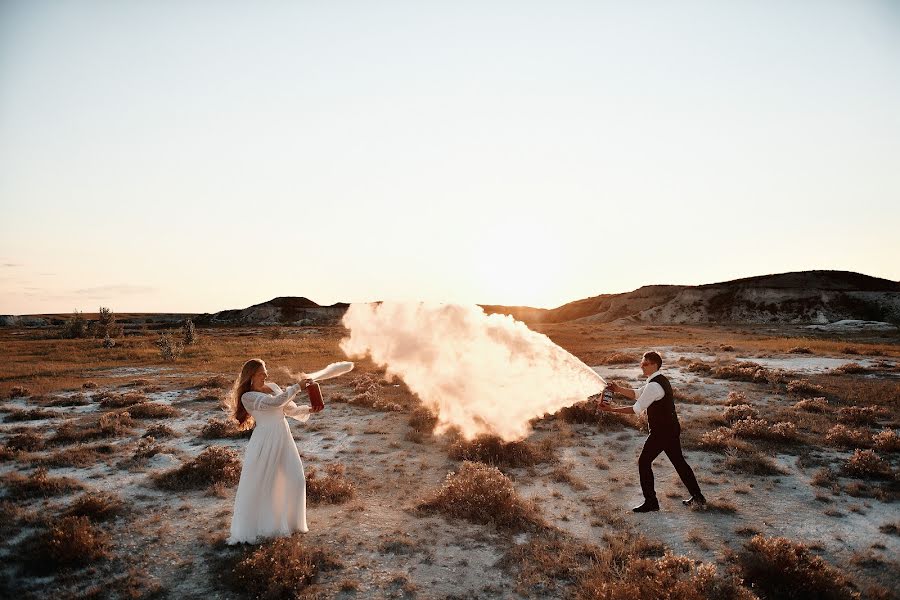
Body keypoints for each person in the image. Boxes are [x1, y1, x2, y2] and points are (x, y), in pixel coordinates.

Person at [225, 358, 322, 544]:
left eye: (265, 371)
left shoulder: (273, 386)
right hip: (265, 441)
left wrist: (310, 409)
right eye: (262, 373)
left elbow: (288, 409)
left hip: (283, 437)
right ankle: (268, 527)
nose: (266, 375)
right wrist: (296, 387)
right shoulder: (248, 397)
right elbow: (274, 404)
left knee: (296, 479)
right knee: (266, 483)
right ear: (251, 375)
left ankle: (291, 523)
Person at [598, 351, 705, 512]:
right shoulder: (655, 381)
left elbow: (636, 409)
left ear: (655, 364)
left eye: (645, 363)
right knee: (679, 462)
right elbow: (638, 394)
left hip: (662, 432)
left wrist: (612, 410)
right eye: (642, 362)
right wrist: (618, 389)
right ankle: (698, 497)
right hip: (670, 428)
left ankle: (651, 502)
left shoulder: (655, 385)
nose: (642, 365)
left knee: (644, 462)